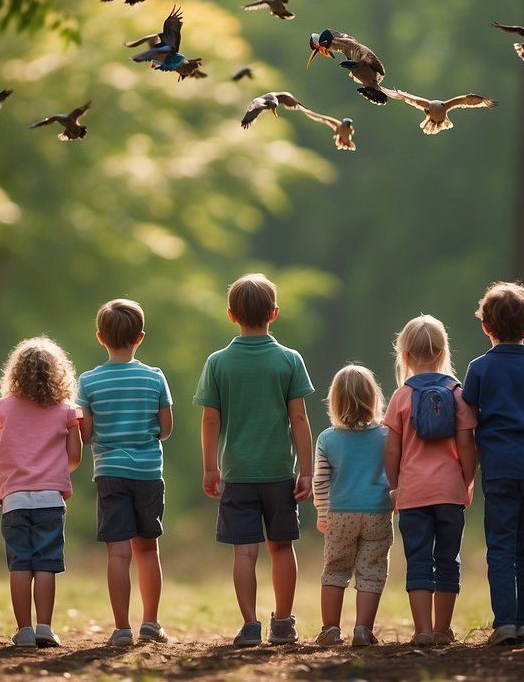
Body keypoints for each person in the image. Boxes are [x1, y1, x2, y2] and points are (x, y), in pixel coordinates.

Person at [195, 273, 314, 647]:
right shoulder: (289, 360)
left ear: (231, 315)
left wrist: (210, 466)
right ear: (274, 314)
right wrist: (307, 471)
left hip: (237, 473)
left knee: (244, 551)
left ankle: (250, 625)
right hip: (279, 472)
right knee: (281, 546)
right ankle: (282, 623)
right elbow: (299, 418)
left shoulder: (218, 362)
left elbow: (211, 419)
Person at [463, 281, 524, 646]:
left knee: (501, 546)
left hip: (500, 468)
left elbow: (468, 423)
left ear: (486, 326)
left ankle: (505, 622)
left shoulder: (478, 369)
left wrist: (469, 472)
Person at [77, 300, 173, 647]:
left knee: (118, 553)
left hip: (109, 473)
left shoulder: (88, 382)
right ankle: (151, 622)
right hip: (148, 472)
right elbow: (166, 430)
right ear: (140, 337)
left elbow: (85, 435)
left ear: (100, 337)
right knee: (147, 550)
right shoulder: (154, 377)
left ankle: (121, 628)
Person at [382, 315, 477, 647]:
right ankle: (442, 630)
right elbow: (466, 444)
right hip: (449, 491)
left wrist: (394, 486)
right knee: (448, 559)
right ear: (442, 352)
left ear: (405, 356)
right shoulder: (458, 393)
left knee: (419, 558)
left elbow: (391, 450)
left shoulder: (400, 397)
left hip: (413, 493)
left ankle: (421, 630)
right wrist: (467, 479)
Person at [0, 336, 83, 649]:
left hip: (14, 498)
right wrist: (53, 470)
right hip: (49, 499)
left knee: (20, 564)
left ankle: (24, 629)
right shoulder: (68, 411)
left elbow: (11, 444)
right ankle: (45, 626)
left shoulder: (2, 409)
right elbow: (74, 457)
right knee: (46, 564)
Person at [312, 364, 393, 648]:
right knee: (371, 571)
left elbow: (320, 482)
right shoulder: (387, 435)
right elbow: (395, 472)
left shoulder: (327, 438)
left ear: (334, 400)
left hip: (340, 514)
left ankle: (330, 630)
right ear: (374, 398)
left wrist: (323, 513)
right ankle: (362, 630)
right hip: (378, 512)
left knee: (335, 570)